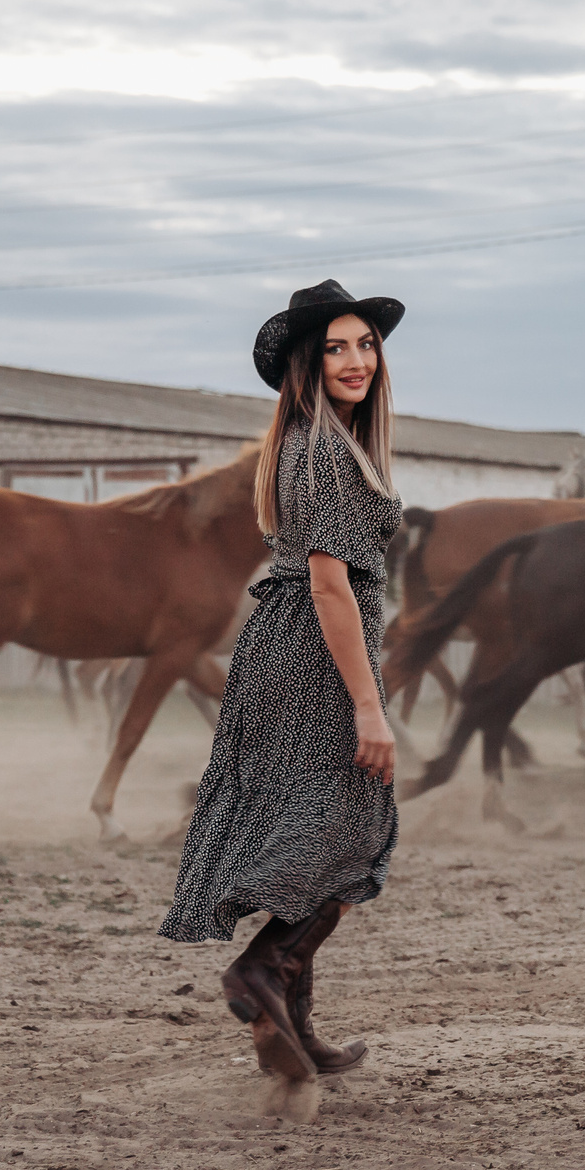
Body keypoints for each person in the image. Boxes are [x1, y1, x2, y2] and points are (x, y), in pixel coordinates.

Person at [161, 280, 406, 1086]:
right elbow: (332, 587)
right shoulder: (329, 452)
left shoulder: (306, 442)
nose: (356, 360)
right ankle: (262, 970)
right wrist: (368, 706)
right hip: (313, 654)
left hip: (283, 647)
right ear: (307, 361)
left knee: (319, 827)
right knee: (349, 828)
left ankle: (291, 1021)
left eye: (365, 344)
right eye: (336, 347)